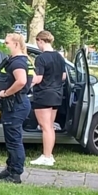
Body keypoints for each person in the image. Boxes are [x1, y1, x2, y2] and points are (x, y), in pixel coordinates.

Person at [0, 32, 31, 184]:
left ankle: (15, 174)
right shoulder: (19, 60)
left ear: (16, 44)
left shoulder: (18, 62)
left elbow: (21, 81)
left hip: (15, 104)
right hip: (16, 104)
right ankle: (10, 168)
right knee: (11, 140)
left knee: (14, 141)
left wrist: (6, 93)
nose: (4, 45)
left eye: (7, 42)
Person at [30, 30, 66, 166]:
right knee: (50, 126)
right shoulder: (59, 57)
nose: (37, 45)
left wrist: (28, 81)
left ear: (40, 40)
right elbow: (63, 76)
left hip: (44, 94)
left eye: (37, 42)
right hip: (57, 94)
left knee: (45, 127)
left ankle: (46, 157)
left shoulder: (41, 58)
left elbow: (38, 78)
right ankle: (49, 155)